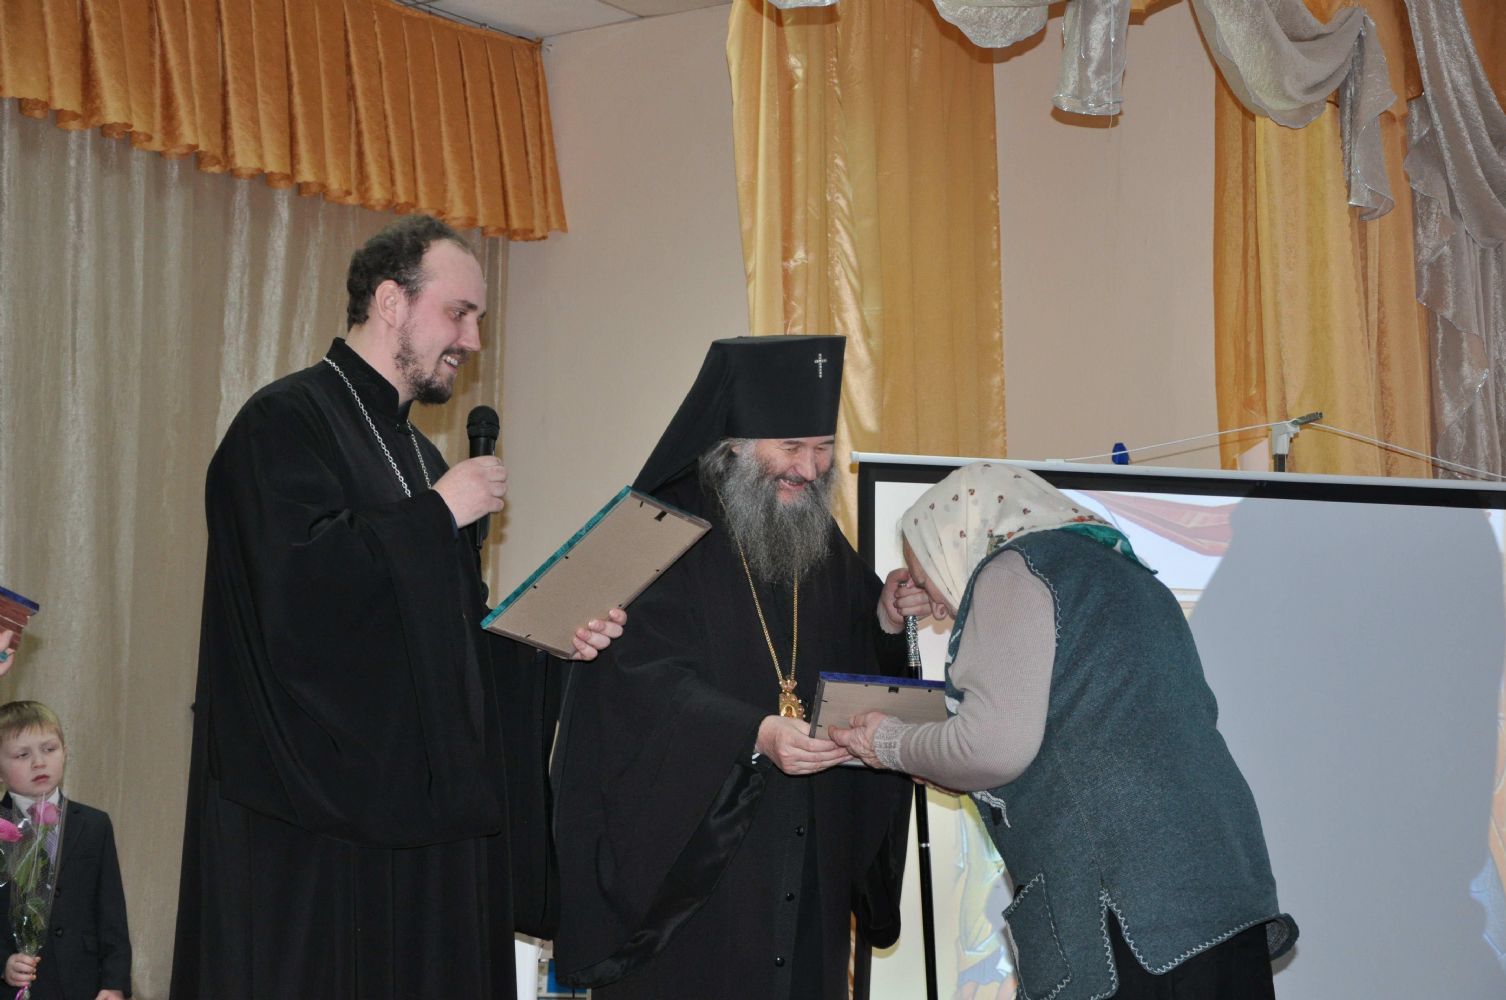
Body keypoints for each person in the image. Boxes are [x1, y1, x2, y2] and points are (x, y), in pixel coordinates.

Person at [169, 215, 625, 1000]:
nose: (472, 340)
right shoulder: (283, 422)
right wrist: (435, 513)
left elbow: (447, 639)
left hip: (418, 827)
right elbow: (294, 596)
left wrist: (549, 638)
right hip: (305, 828)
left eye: (478, 319)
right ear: (390, 301)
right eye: (459, 313)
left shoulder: (420, 455)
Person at [551, 335, 931, 999]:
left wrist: (887, 617)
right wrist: (752, 731)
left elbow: (854, 640)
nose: (810, 468)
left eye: (823, 447)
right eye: (791, 447)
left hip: (804, 848)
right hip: (696, 869)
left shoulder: (815, 534)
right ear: (733, 444)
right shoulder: (659, 526)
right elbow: (633, 681)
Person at [831, 462, 1298, 1000]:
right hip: (1220, 896)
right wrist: (942, 764)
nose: (936, 607)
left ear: (954, 539)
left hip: (1135, 919)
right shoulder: (1126, 572)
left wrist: (887, 742)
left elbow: (994, 747)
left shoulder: (1012, 572)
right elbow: (1080, 734)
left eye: (925, 571)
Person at [0, 700, 130, 1000]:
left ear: (65, 751)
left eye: (49, 749)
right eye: (22, 755)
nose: (39, 763)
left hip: (81, 982)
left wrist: (115, 982)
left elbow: (111, 910)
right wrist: (3, 963)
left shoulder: (94, 824)